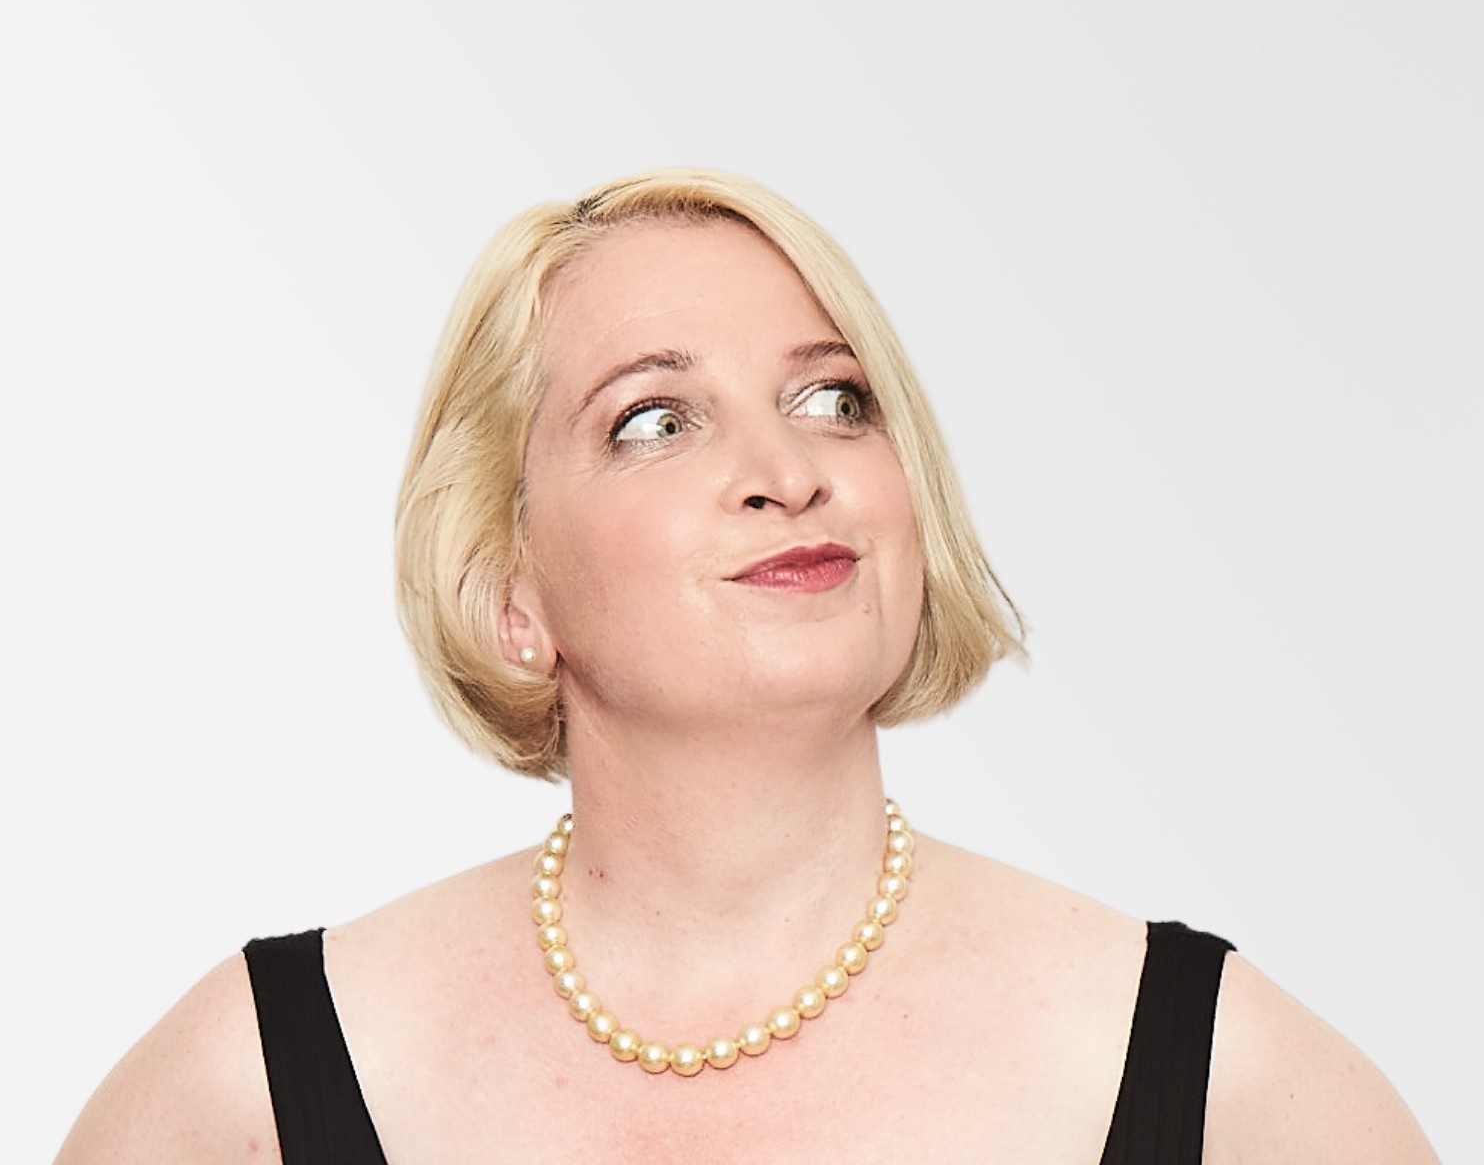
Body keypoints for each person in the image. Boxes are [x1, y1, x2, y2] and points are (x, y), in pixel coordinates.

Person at [55, 168, 1437, 1163]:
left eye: (835, 400)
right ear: (511, 589)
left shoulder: (1219, 1081)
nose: (786, 470)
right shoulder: (254, 1089)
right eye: (656, 421)